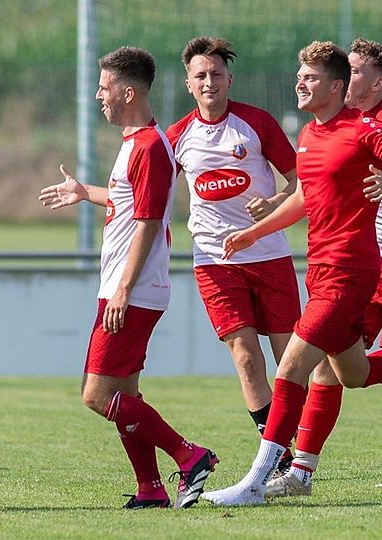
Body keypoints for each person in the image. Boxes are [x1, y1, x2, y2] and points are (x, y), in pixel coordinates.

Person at [200, 40, 382, 507]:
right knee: (353, 373)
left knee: (291, 367)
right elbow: (305, 197)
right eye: (299, 74)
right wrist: (257, 232)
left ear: (335, 86)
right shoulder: (311, 135)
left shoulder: (365, 129)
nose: (299, 83)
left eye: (310, 77)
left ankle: (257, 481)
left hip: (350, 273)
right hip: (321, 270)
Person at [39, 46, 217, 510]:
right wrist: (84, 193)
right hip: (128, 288)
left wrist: (121, 289)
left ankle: (189, 454)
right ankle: (150, 489)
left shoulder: (152, 147)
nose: (99, 96)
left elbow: (149, 222)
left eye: (104, 88)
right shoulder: (135, 144)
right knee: (126, 393)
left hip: (131, 291)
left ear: (128, 91)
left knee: (96, 395)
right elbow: (129, 203)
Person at [165, 36, 300, 473]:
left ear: (229, 79)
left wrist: (275, 204)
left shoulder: (256, 123)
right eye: (200, 75)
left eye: (216, 74)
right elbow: (137, 193)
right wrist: (85, 193)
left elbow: (300, 184)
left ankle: (300, 447)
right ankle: (278, 457)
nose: (209, 82)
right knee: (244, 356)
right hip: (215, 262)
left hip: (270, 256)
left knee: (290, 358)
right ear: (188, 83)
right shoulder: (177, 137)